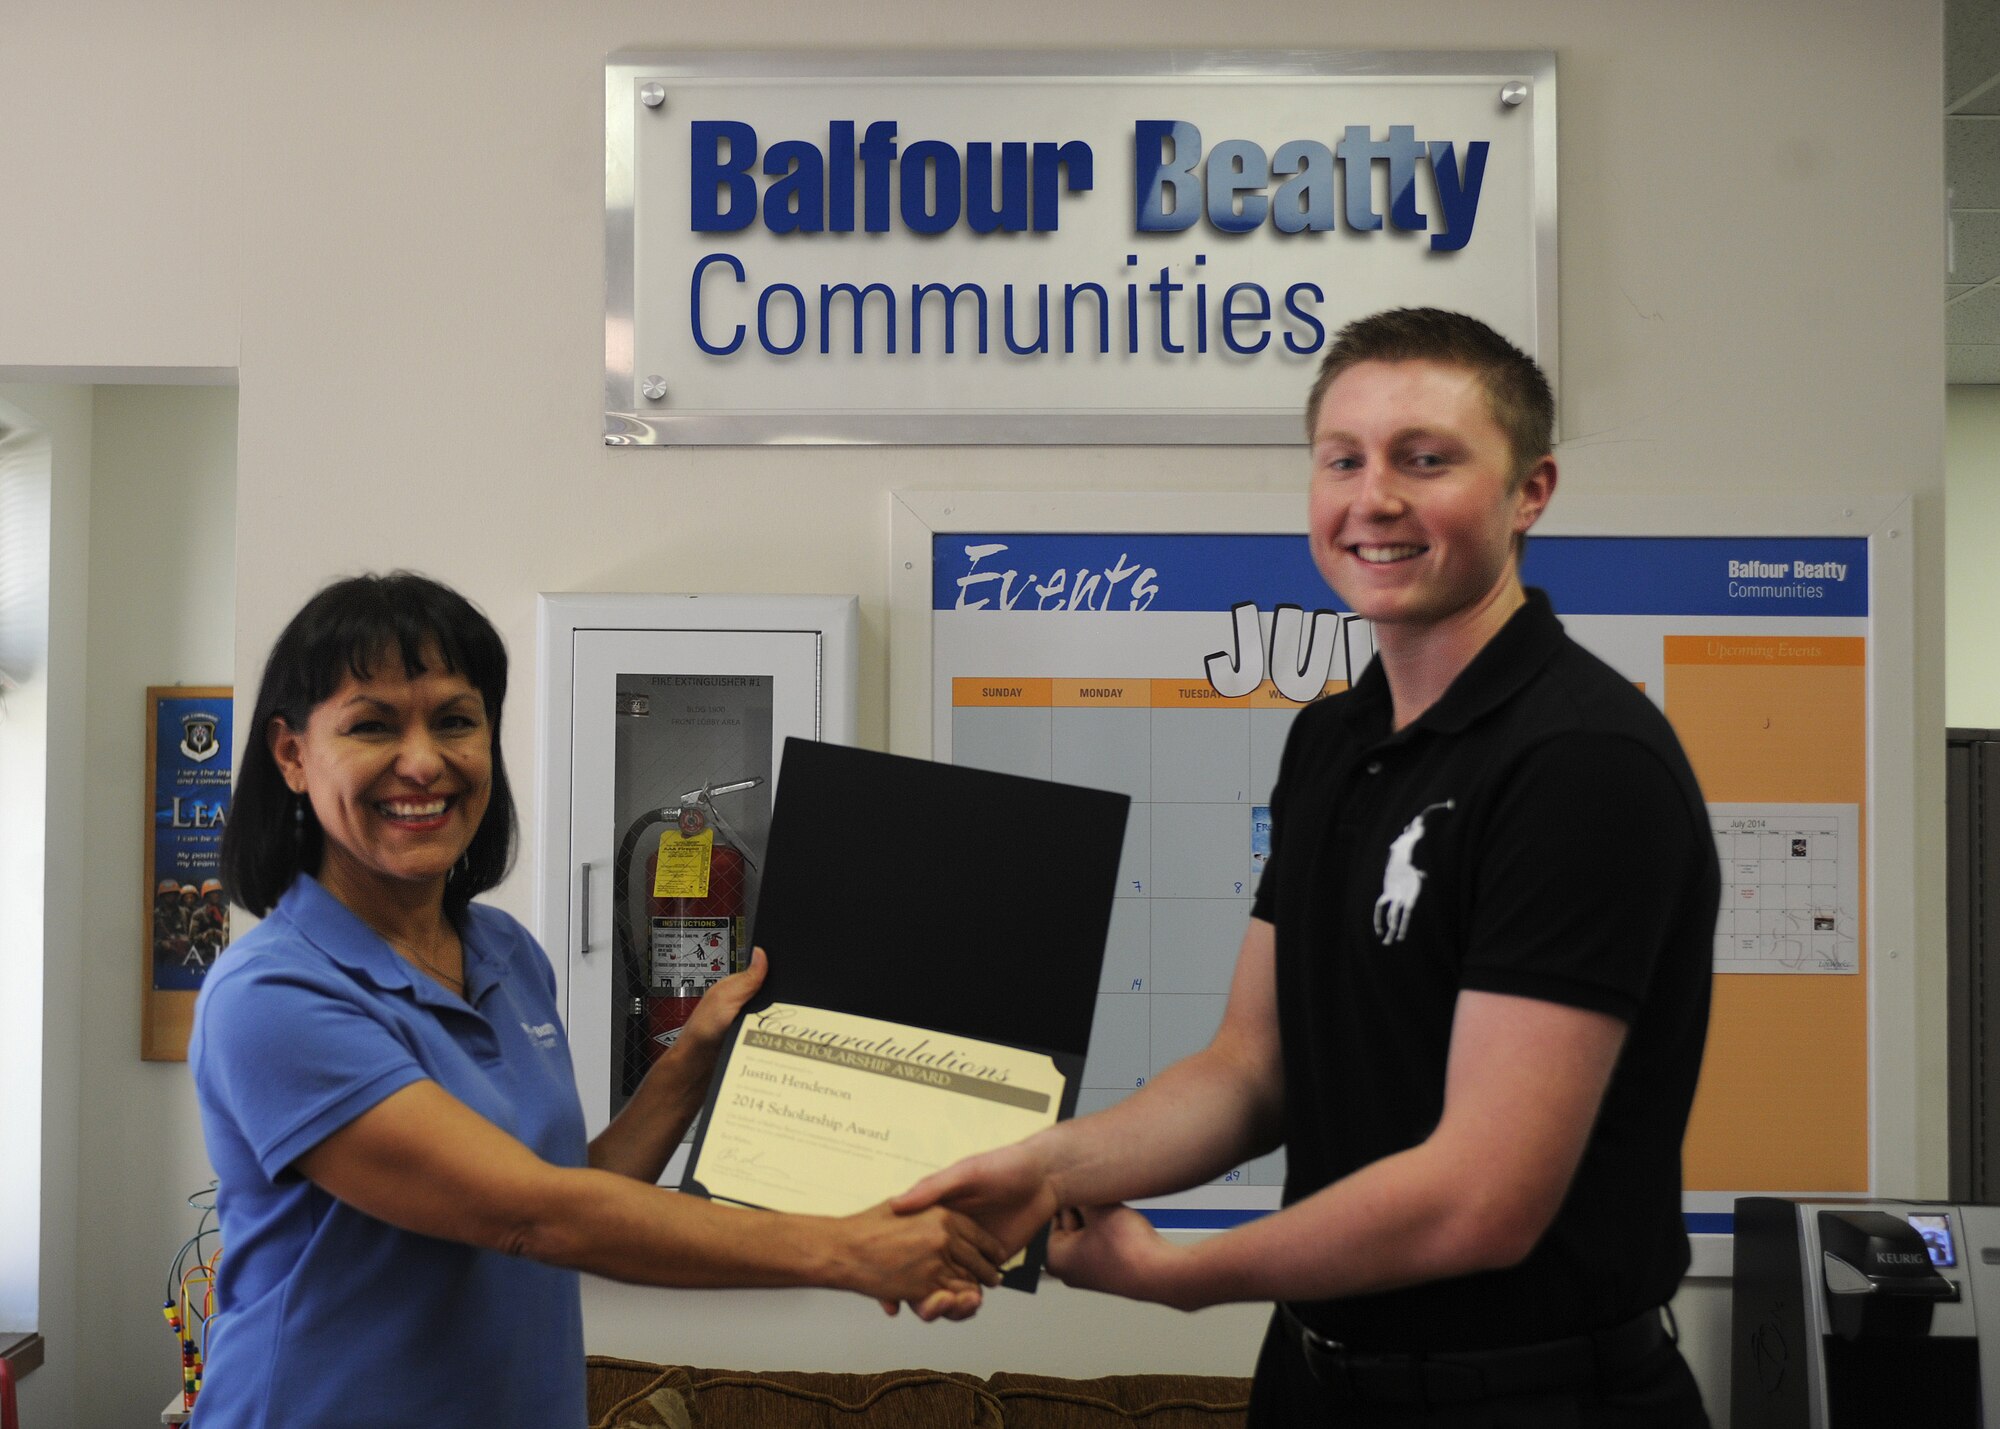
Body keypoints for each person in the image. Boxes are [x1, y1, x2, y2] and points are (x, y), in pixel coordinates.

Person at [900, 309, 1719, 1427]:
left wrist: (1183, 1277)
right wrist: (1045, 1169)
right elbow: (1248, 1070)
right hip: (1317, 1385)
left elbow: (1481, 1200)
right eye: (1342, 459)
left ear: (1530, 490)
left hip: (1528, 1399)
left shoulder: (1578, 762)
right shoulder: (1335, 741)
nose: (1371, 497)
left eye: (1424, 459)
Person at [191, 573, 1003, 1429]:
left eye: (456, 719)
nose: (424, 760)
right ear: (291, 755)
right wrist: (850, 1248)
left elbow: (574, 1188)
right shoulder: (274, 994)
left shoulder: (503, 953)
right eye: (372, 724)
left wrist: (694, 1055)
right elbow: (533, 1217)